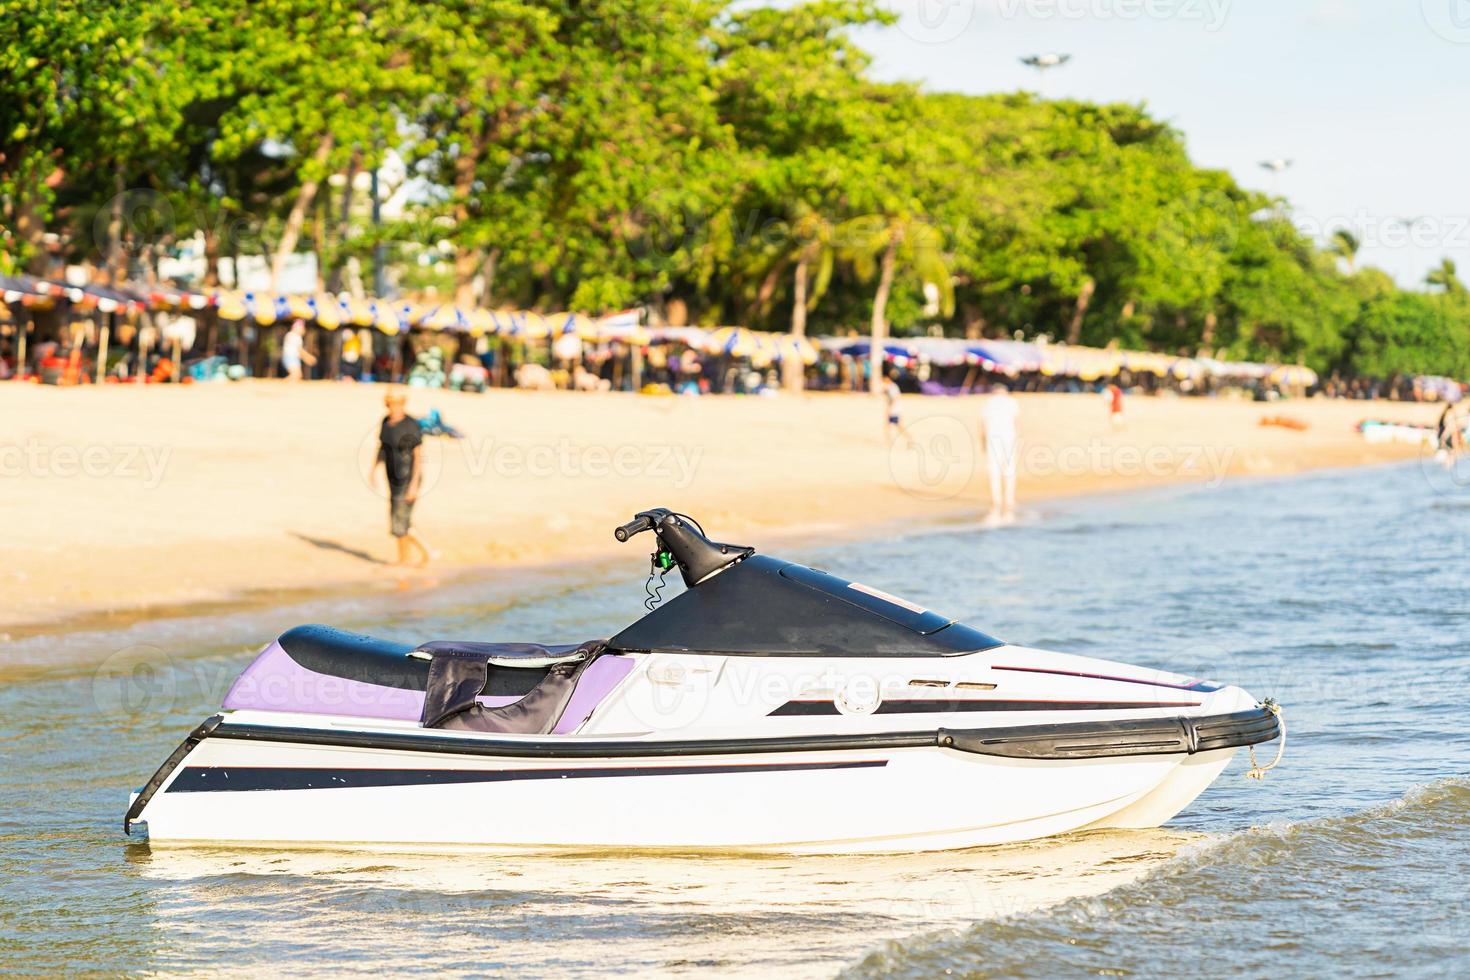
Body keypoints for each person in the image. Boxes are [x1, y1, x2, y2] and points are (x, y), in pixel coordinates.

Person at [375, 390, 430, 566]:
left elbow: (418, 456)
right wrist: (373, 468)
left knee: (400, 520)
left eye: (397, 403)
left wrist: (414, 484)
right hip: (393, 478)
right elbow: (382, 447)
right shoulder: (386, 422)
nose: (394, 407)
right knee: (398, 518)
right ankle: (410, 556)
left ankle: (414, 556)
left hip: (408, 478)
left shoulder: (410, 425)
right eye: (391, 403)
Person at [980, 382, 1020, 523]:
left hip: (993, 439)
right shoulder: (1012, 402)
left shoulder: (988, 403)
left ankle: (996, 500)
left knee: (994, 471)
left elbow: (983, 426)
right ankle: (1009, 500)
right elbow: (1016, 423)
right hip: (1009, 438)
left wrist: (983, 443)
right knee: (1009, 470)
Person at [882, 370, 911, 445]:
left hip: (894, 410)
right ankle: (889, 442)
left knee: (897, 427)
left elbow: (895, 398)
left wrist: (890, 409)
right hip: (895, 410)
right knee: (891, 426)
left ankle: (909, 439)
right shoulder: (891, 387)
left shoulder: (892, 387)